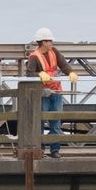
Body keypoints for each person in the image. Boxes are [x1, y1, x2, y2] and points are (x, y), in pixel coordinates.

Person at [25, 28, 78, 159]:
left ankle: (55, 149)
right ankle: (40, 149)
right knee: (41, 121)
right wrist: (39, 74)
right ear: (43, 42)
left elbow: (63, 65)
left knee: (56, 121)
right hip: (43, 93)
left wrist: (70, 72)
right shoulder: (34, 57)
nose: (52, 43)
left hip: (56, 91)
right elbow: (29, 73)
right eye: (49, 41)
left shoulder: (54, 52)